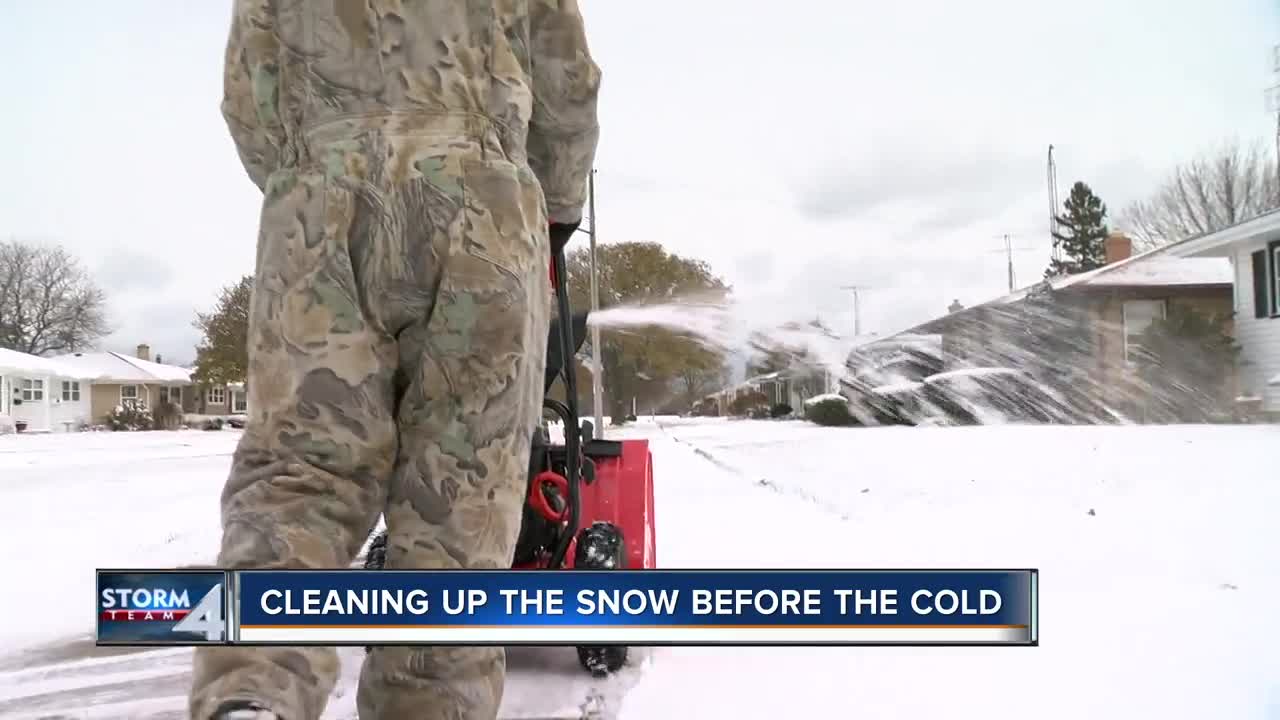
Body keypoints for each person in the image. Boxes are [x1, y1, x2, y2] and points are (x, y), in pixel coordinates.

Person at [190, 2, 600, 719]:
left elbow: (246, 97)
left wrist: (317, 177)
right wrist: (553, 209)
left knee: (297, 475)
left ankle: (254, 690)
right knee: (460, 509)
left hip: (318, 201)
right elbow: (568, 84)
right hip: (484, 210)